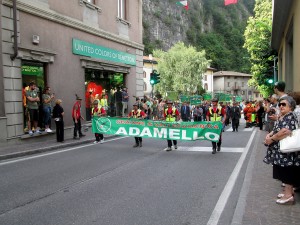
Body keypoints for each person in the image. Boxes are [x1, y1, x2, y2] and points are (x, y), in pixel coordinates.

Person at [263, 96, 300, 205]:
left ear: (291, 106)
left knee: (286, 172)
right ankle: (289, 192)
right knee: (284, 171)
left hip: (287, 153)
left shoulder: (290, 116)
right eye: (280, 104)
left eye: (284, 104)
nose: (281, 106)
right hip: (283, 151)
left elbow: (284, 131)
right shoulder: (285, 116)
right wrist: (270, 134)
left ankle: (288, 196)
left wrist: (272, 139)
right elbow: (278, 129)